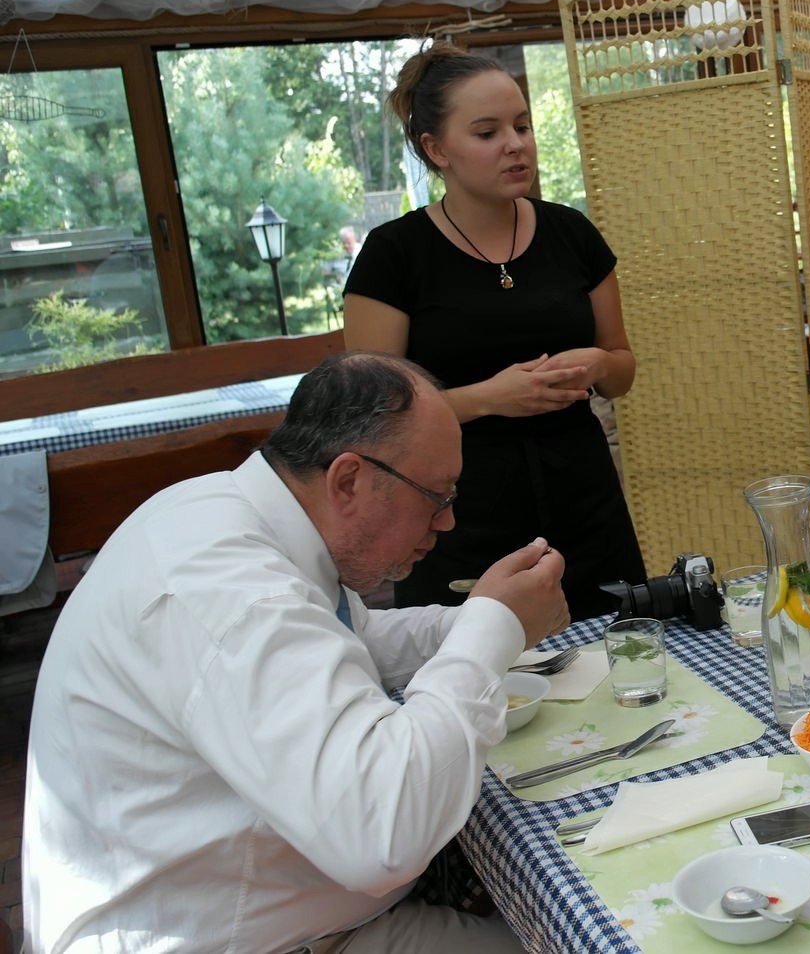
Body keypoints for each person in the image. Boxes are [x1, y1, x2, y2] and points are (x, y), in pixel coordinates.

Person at [23, 351, 571, 952]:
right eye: (435, 496)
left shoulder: (230, 515)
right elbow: (383, 835)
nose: (447, 523)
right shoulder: (235, 593)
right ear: (348, 480)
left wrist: (475, 621)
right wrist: (491, 627)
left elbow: (349, 640)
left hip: (289, 909)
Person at [344, 42, 646, 619]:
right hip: (455, 510)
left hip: (583, 500)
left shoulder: (572, 234)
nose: (515, 144)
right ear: (436, 149)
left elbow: (621, 369)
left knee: (619, 648)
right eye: (488, 132)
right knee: (479, 659)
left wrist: (598, 364)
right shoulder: (394, 255)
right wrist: (490, 398)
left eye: (522, 126)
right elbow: (369, 414)